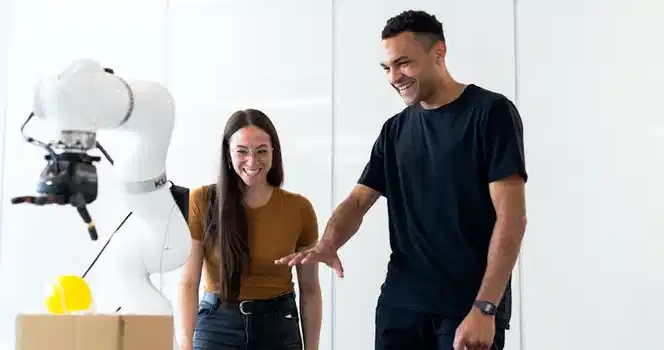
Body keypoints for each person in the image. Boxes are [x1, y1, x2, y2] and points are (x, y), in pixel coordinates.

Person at [276, 10, 527, 350]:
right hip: (401, 307)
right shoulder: (395, 130)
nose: (394, 77)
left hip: (466, 307)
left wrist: (486, 307)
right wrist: (329, 243)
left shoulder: (490, 113)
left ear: (438, 53)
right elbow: (358, 201)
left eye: (403, 63)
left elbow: (512, 218)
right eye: (388, 67)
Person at [179, 108, 323, 350]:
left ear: (274, 153)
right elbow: (188, 282)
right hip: (217, 325)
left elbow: (310, 289)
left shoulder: (299, 208)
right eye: (242, 151)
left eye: (261, 151)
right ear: (228, 154)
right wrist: (185, 346)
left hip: (278, 325)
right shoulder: (202, 201)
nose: (252, 161)